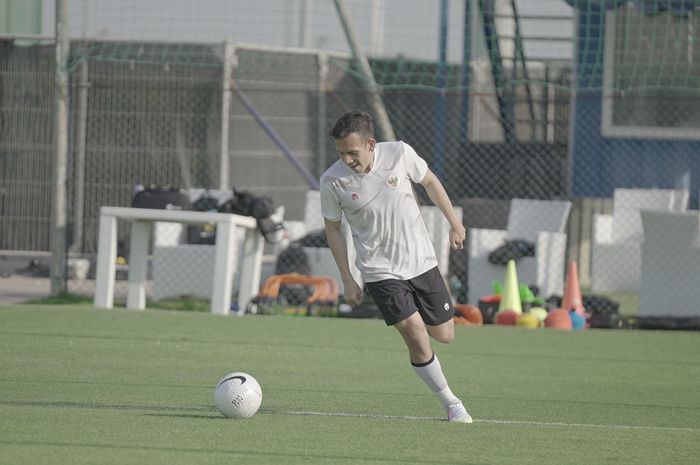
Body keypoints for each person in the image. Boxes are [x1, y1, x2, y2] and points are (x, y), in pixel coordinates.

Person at [320, 110, 472, 423]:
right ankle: (451, 403)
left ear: (371, 144)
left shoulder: (400, 153)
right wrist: (348, 278)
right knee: (416, 335)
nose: (347, 160)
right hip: (379, 270)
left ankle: (422, 318)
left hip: (421, 261)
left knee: (444, 335)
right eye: (340, 153)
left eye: (353, 152)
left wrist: (455, 224)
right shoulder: (332, 181)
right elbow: (333, 230)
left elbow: (429, 181)